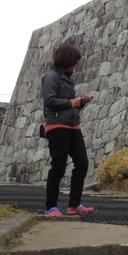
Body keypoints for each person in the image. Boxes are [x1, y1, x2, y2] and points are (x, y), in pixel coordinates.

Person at [41, 43, 95, 216]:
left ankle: (74, 205)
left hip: (73, 125)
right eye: (75, 61)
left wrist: (81, 102)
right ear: (66, 60)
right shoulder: (51, 77)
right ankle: (51, 207)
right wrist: (72, 102)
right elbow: (49, 101)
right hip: (56, 126)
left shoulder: (68, 79)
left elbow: (69, 105)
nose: (76, 65)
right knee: (58, 166)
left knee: (82, 163)